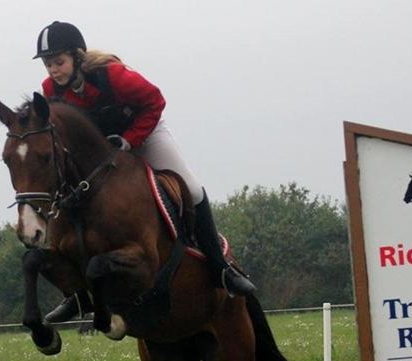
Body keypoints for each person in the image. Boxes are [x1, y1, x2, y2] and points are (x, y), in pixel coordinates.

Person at [32, 21, 255, 322]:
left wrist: (130, 140)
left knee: (191, 188)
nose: (53, 71)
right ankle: (77, 295)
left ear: (77, 57)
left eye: (59, 62)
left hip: (144, 133)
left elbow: (155, 101)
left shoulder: (113, 76)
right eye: (48, 65)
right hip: (105, 152)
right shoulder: (50, 91)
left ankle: (219, 269)